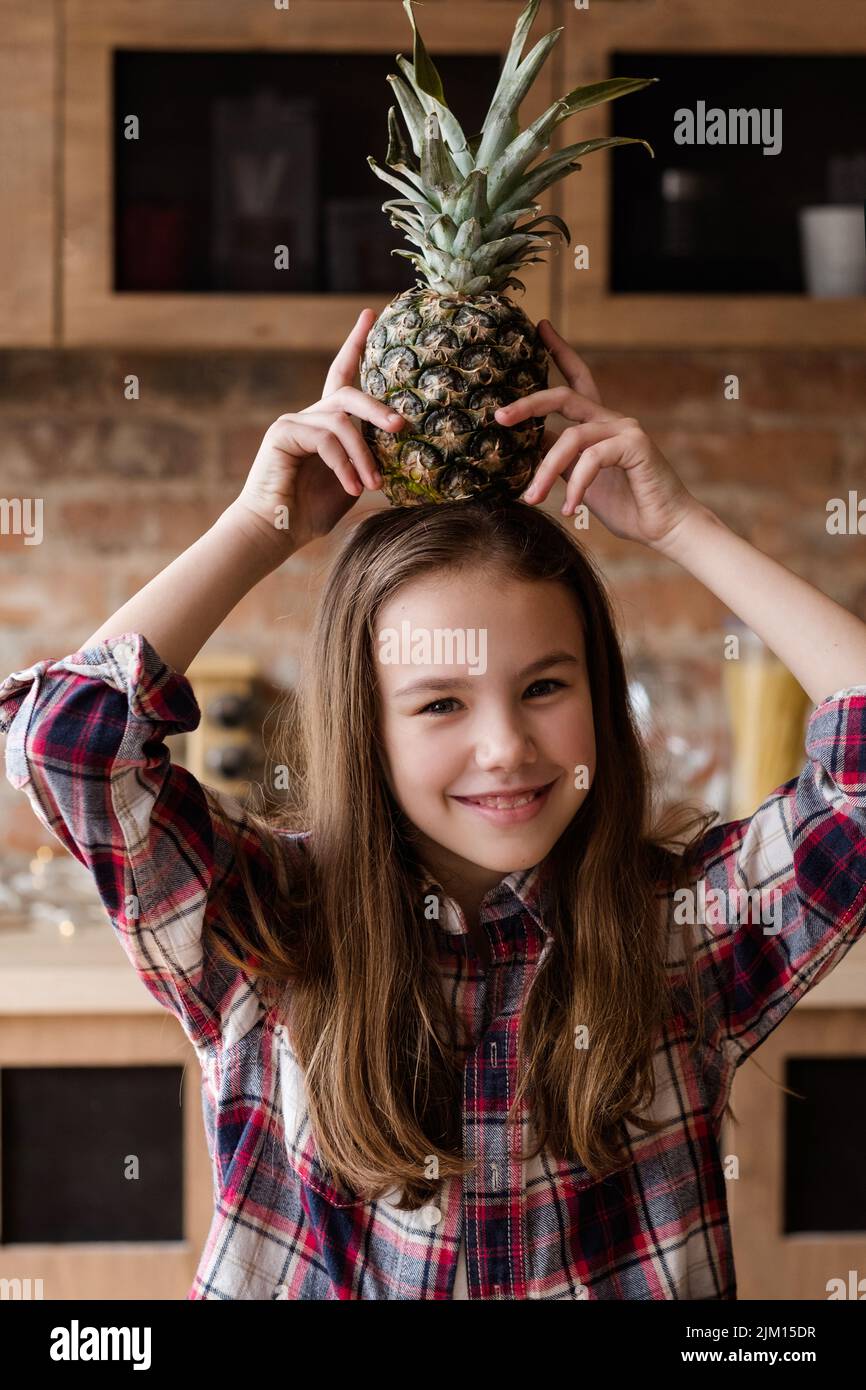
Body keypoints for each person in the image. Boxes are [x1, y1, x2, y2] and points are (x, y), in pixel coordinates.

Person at [1, 311, 865, 1300]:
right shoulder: (264, 928)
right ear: (366, 726)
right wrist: (257, 530)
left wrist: (683, 527)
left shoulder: (681, 935)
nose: (504, 746)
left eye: (544, 687)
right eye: (440, 702)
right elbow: (62, 741)